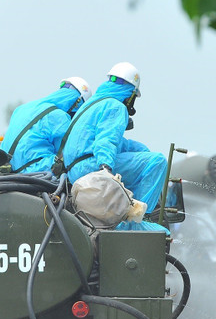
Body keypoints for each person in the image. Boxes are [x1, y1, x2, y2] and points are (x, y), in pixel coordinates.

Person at [62, 62, 167, 214]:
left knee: (142, 152)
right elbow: (106, 140)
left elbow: (102, 140)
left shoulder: (90, 104)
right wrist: (106, 168)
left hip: (74, 170)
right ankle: (140, 217)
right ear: (131, 94)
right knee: (157, 161)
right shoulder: (116, 106)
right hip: (92, 167)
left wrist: (139, 149)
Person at [0, 76, 91, 173]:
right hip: (36, 170)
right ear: (77, 104)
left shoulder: (22, 108)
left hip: (7, 168)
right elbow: (69, 151)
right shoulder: (59, 116)